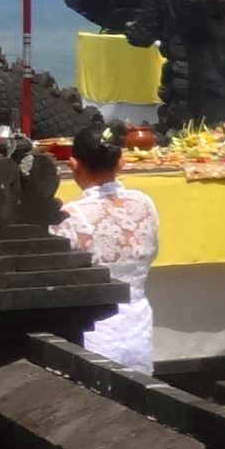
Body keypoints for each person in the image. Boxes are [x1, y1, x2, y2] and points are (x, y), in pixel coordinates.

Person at [56, 125, 160, 374]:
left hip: (93, 328)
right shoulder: (144, 203)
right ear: (121, 162)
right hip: (137, 324)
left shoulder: (69, 216)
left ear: (73, 165)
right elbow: (153, 252)